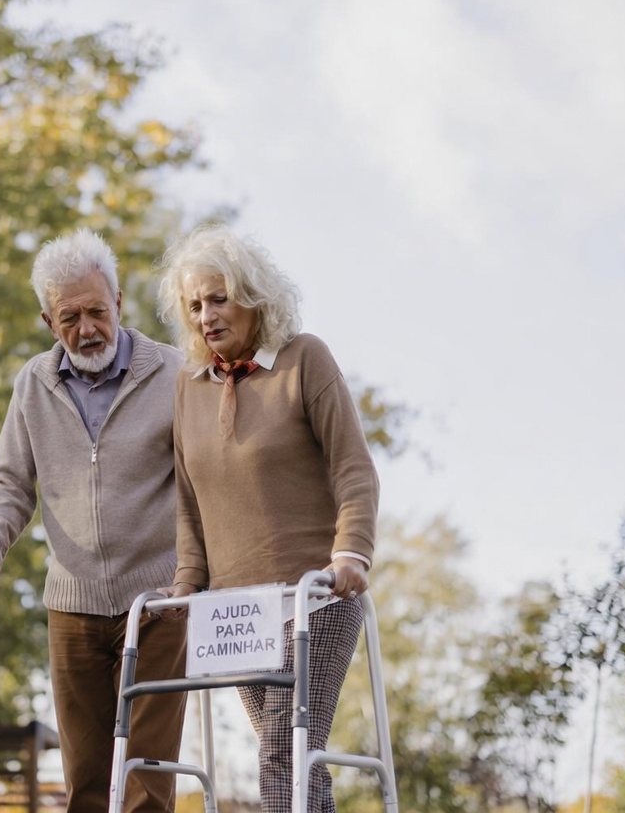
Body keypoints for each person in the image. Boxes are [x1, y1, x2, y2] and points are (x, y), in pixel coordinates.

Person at [0, 228, 187, 813]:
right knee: (85, 785)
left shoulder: (173, 374)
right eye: (69, 318)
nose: (87, 329)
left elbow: (201, 481)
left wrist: (198, 575)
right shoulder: (33, 385)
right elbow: (10, 485)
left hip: (158, 604)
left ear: (119, 303)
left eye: (96, 312)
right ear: (46, 322)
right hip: (73, 607)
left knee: (145, 784)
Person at [155, 223, 380, 813]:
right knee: (292, 757)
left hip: (317, 596)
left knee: (285, 749)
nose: (206, 315)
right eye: (195, 304)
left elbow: (354, 468)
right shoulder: (188, 387)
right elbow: (188, 500)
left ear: (255, 298)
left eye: (219, 298)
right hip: (236, 612)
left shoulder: (304, 360)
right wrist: (186, 580)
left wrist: (351, 551)